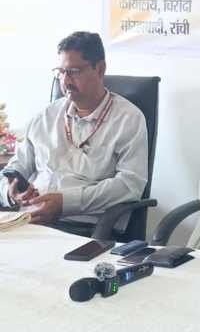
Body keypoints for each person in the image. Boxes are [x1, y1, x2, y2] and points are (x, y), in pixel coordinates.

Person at [0, 32, 148, 229]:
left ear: (100, 69)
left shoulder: (128, 119)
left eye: (74, 72)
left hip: (85, 227)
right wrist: (10, 192)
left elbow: (129, 185)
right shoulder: (46, 115)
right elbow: (15, 168)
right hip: (29, 220)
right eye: (61, 72)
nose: (65, 81)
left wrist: (66, 203)